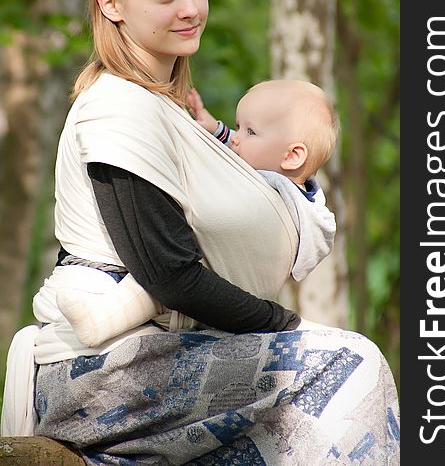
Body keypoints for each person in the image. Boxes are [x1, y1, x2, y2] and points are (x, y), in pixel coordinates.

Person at [1, 0, 400, 465]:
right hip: (99, 373)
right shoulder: (118, 112)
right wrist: (287, 326)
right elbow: (170, 273)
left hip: (159, 356)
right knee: (347, 364)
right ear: (110, 3)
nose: (190, 9)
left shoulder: (169, 110)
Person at [55, 78, 339, 347]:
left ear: (292, 156)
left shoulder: (295, 197)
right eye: (237, 127)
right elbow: (235, 152)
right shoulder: (268, 167)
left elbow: (315, 237)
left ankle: (98, 322)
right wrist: (215, 129)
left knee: (152, 287)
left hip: (225, 275)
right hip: (214, 277)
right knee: (157, 271)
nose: (236, 138)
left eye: (249, 131)